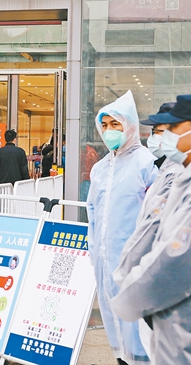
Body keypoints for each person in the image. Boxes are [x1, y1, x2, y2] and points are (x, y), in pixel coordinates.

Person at [111, 94, 191, 364]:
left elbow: (174, 252)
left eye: (172, 128)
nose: (165, 136)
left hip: (174, 305)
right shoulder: (177, 171)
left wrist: (131, 293)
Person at [86, 90, 157, 365]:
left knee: (139, 331)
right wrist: (94, 254)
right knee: (114, 327)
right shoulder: (100, 168)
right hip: (105, 263)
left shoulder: (147, 164)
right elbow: (93, 213)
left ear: (129, 125)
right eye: (104, 125)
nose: (109, 131)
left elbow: (155, 218)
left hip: (135, 265)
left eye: (115, 124)